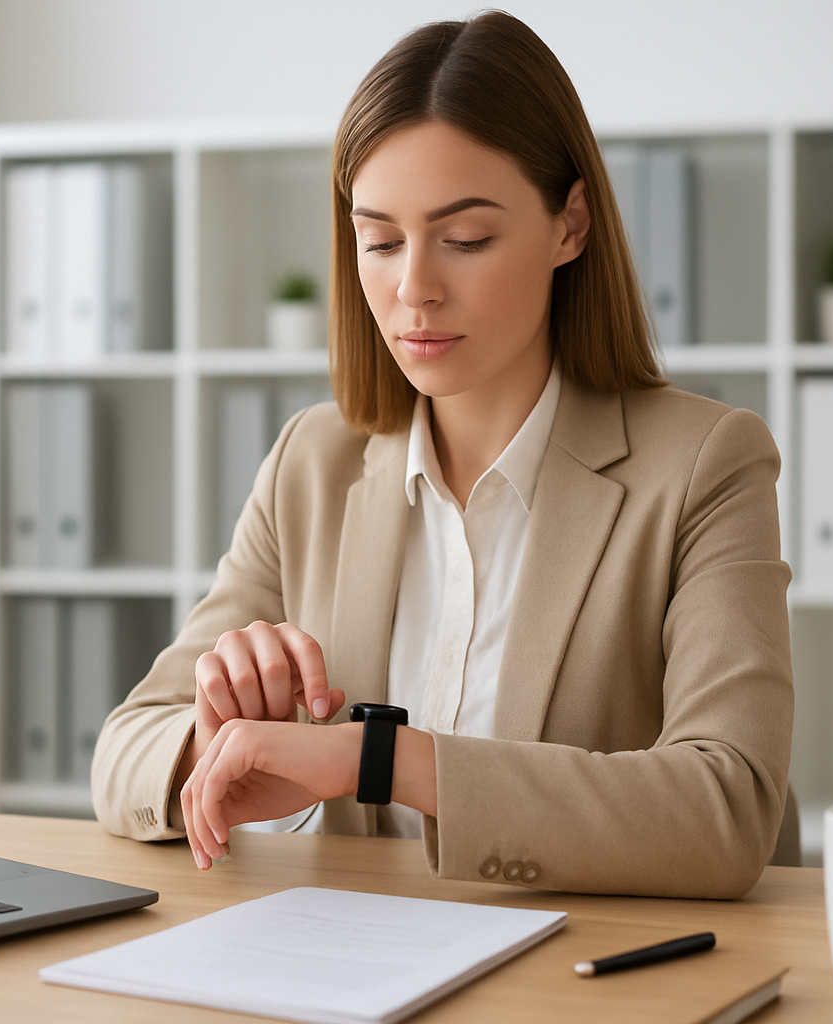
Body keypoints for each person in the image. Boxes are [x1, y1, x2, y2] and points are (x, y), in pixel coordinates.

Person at [91, 10, 794, 899]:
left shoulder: (705, 463)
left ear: (570, 224)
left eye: (464, 239)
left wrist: (375, 761)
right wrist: (223, 737)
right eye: (380, 241)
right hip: (354, 966)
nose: (413, 288)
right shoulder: (312, 461)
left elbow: (726, 809)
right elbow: (123, 751)